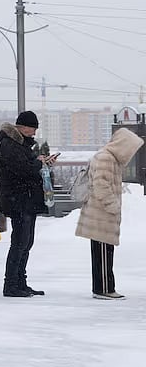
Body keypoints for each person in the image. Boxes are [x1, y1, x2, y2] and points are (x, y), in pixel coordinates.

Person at [75, 128, 144, 299]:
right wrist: (113, 206)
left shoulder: (110, 158)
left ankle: (103, 287)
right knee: (103, 253)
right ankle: (104, 289)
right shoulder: (106, 158)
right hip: (101, 214)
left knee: (103, 253)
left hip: (101, 213)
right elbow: (101, 185)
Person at [0, 110, 52, 298]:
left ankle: (20, 282)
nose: (34, 133)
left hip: (26, 200)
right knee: (19, 243)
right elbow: (23, 170)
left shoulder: (20, 145)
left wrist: (40, 163)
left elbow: (26, 168)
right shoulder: (10, 145)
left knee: (26, 242)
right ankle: (11, 284)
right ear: (22, 127)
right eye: (32, 129)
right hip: (19, 201)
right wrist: (38, 163)